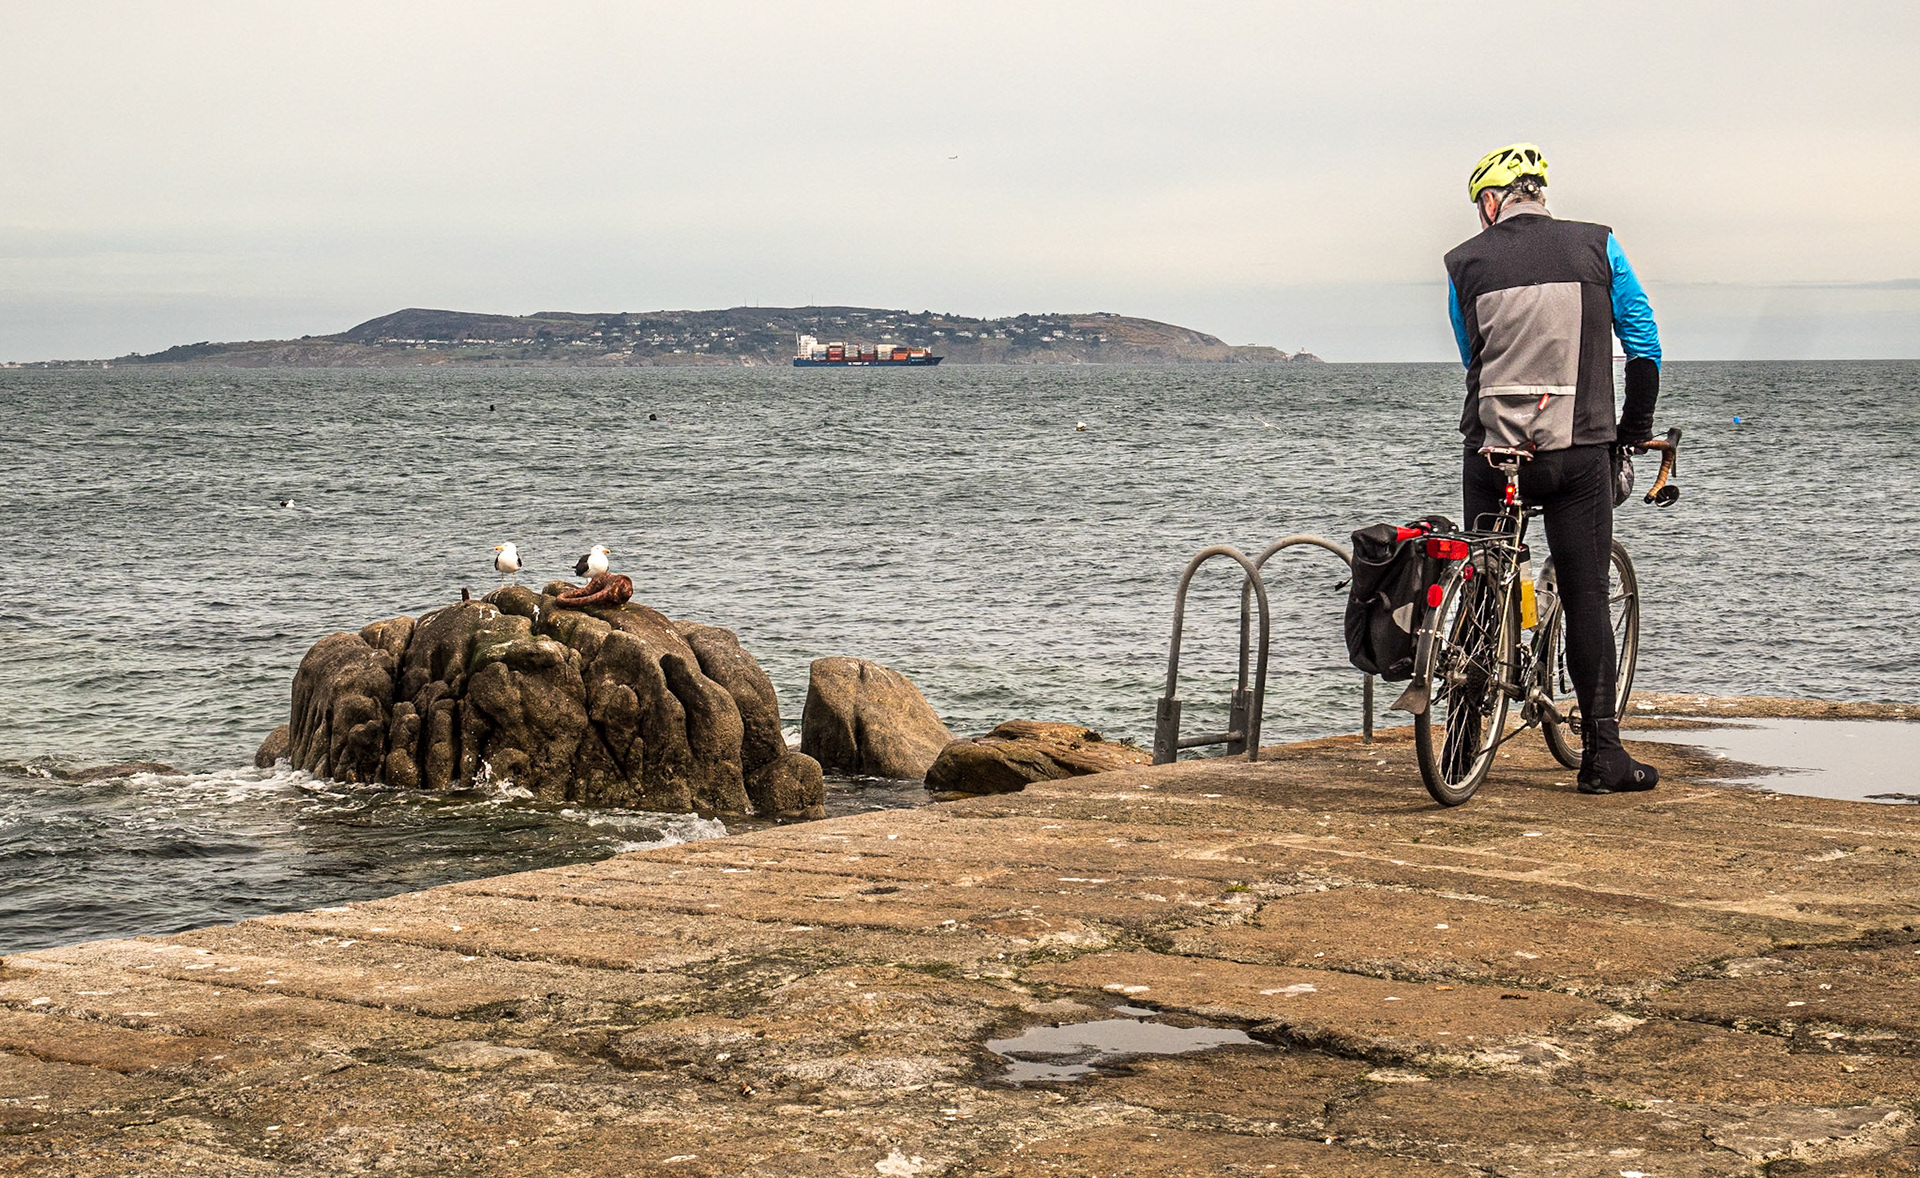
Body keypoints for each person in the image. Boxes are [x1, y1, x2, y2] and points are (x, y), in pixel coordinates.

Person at [1443, 143, 1661, 795]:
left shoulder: (1464, 263)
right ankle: (1602, 758)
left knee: (1484, 583)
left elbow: (1471, 357)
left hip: (1492, 453)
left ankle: (1458, 749)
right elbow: (1644, 342)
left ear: (1491, 201)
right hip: (1579, 451)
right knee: (1587, 593)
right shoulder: (1599, 246)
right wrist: (1632, 436)